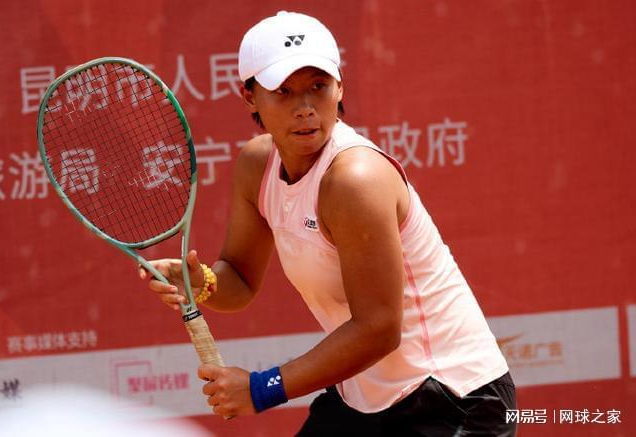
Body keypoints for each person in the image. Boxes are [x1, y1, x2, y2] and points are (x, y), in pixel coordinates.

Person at [140, 11, 517, 436]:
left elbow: (379, 328)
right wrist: (202, 281)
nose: (305, 109)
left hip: (452, 397)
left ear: (340, 87)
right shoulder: (256, 165)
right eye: (283, 91)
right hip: (365, 393)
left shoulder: (355, 180)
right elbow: (240, 280)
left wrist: (262, 389)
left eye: (318, 87)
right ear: (249, 96)